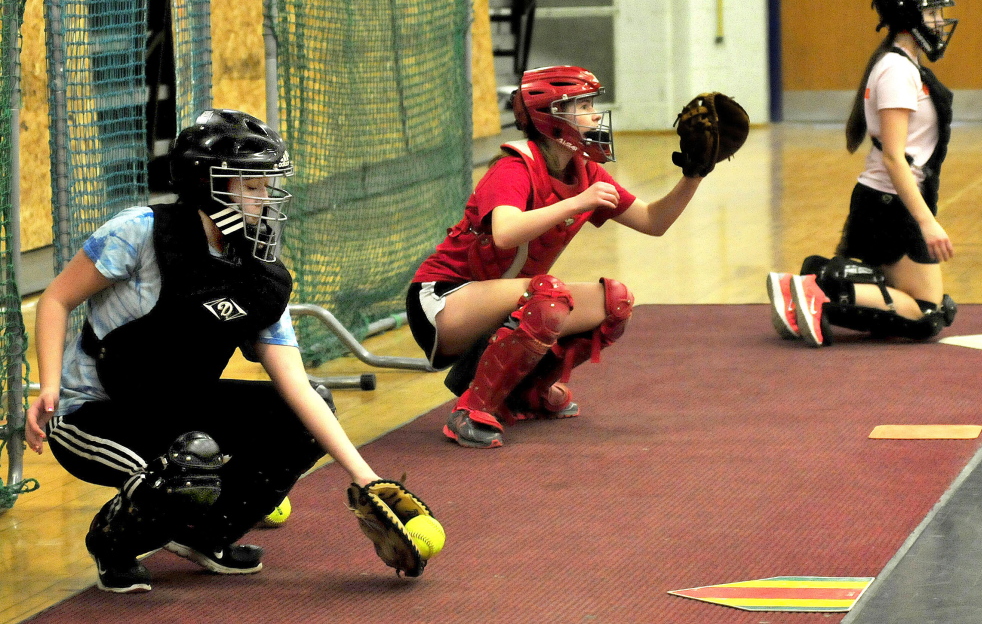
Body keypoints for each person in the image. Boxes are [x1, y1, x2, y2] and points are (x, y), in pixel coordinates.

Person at [25, 110, 386, 593]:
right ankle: (113, 545)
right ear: (207, 183)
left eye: (267, 185)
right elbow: (56, 298)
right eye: (252, 186)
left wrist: (369, 481)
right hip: (96, 412)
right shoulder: (141, 231)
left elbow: (296, 386)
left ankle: (204, 536)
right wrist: (48, 385)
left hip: (178, 410)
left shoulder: (257, 273)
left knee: (306, 413)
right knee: (185, 473)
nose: (266, 198)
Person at [407, 65, 709, 449]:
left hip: (492, 296)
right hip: (442, 299)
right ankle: (472, 410)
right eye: (582, 105)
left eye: (592, 103)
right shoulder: (514, 168)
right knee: (547, 297)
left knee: (615, 302)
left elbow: (654, 221)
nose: (595, 114)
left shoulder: (586, 172)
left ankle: (526, 393)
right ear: (551, 117)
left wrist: (694, 176)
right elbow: (505, 233)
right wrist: (579, 202)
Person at [767, 0, 958, 347]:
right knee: (926, 316)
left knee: (930, 308)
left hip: (885, 202)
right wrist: (927, 223)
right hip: (890, 206)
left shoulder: (903, 64)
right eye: (933, 12)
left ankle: (813, 280)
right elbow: (893, 158)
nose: (940, 21)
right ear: (909, 17)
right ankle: (818, 289)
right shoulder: (897, 71)